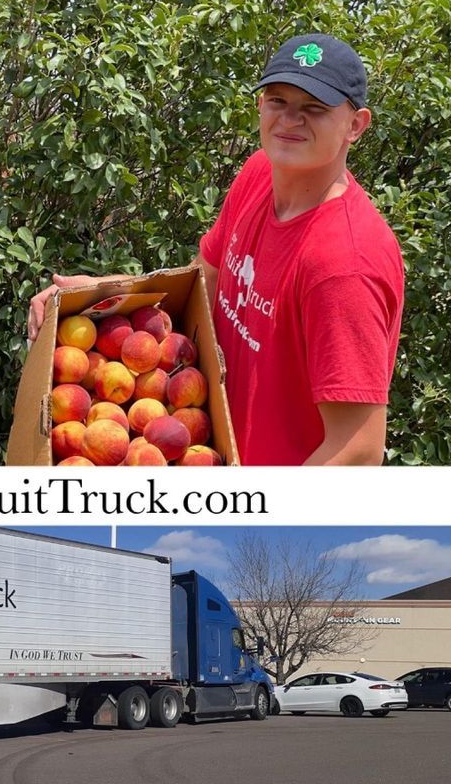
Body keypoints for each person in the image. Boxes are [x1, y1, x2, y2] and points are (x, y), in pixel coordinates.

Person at [28, 34, 404, 465]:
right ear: (260, 106)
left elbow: (358, 449)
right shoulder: (260, 173)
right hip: (203, 445)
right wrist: (104, 293)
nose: (290, 119)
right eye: (278, 99)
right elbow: (202, 281)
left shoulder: (344, 264)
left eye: (314, 108)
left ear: (355, 125)